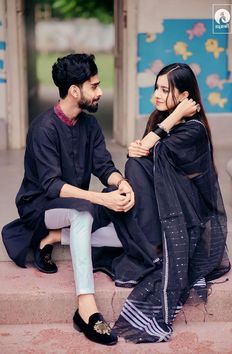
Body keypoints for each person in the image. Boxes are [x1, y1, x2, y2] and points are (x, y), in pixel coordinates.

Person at [2, 53, 135, 346]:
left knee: (127, 226)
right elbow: (52, 186)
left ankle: (50, 239)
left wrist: (121, 184)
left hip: (76, 203)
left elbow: (103, 166)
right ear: (75, 90)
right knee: (84, 216)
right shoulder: (43, 128)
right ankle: (87, 310)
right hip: (40, 206)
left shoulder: (89, 125)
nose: (100, 91)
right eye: (94, 86)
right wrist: (102, 200)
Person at [98, 63, 230, 343]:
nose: (156, 95)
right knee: (129, 174)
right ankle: (152, 245)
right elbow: (143, 153)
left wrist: (169, 122)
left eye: (164, 90)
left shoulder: (192, 128)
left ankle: (154, 249)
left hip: (190, 209)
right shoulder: (162, 117)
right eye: (156, 88)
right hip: (169, 199)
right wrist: (154, 134)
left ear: (183, 96)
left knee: (134, 167)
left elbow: (148, 148)